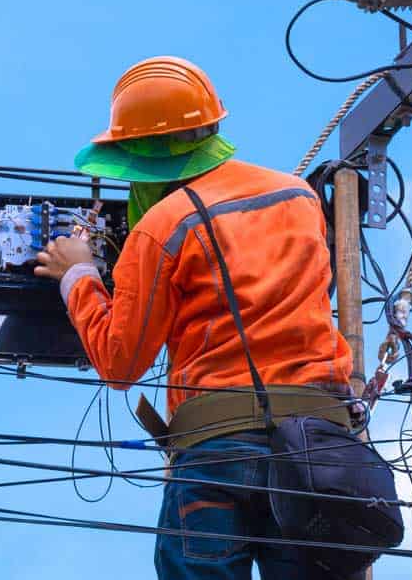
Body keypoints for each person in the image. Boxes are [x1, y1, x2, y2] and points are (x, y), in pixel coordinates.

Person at [33, 56, 355, 579]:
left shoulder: (162, 227)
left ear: (139, 162)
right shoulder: (299, 198)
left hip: (218, 450)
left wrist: (79, 276)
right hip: (317, 448)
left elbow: (122, 361)